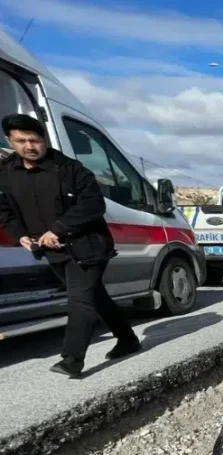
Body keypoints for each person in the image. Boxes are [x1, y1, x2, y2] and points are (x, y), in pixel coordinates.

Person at [0, 114, 140, 378]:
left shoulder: (70, 169)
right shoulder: (6, 173)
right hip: (52, 252)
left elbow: (93, 205)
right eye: (21, 141)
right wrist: (20, 235)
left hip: (88, 246)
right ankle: (128, 338)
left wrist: (58, 229)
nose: (29, 146)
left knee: (80, 301)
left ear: (45, 140)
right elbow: (4, 210)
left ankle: (72, 360)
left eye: (34, 140)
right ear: (11, 141)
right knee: (94, 296)